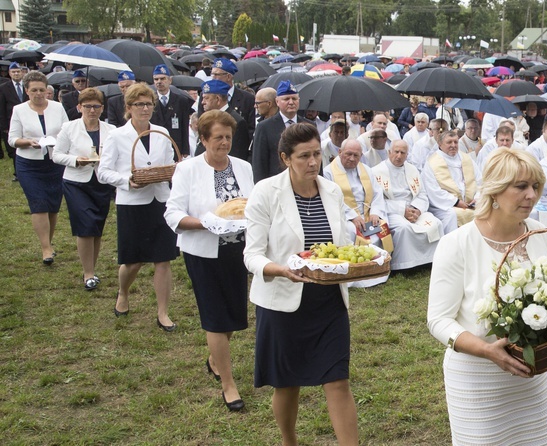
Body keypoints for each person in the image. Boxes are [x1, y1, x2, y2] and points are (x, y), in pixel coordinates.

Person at [427, 147, 547, 446]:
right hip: (477, 377)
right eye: (521, 186)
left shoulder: (538, 233)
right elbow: (438, 320)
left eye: (536, 186)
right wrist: (487, 351)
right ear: (495, 192)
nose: (531, 195)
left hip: (529, 374)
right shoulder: (456, 243)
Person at [244, 123, 358, 446]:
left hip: (329, 302)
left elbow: (342, 244)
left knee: (338, 381)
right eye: (304, 156)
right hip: (283, 302)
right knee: (287, 383)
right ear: (285, 158)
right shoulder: (266, 193)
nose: (313, 162)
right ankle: (289, 440)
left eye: (317, 154)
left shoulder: (332, 191)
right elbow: (251, 255)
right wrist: (278, 269)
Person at [165, 110, 254, 411]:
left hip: (237, 251)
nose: (224, 143)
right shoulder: (187, 170)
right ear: (203, 139)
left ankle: (215, 358)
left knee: (233, 315)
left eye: (228, 137)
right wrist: (205, 223)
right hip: (203, 251)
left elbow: (250, 206)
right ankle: (228, 384)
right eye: (218, 137)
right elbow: (172, 212)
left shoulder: (243, 167)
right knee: (215, 318)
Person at [98, 83, 179, 330]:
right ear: (129, 108)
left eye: (148, 104)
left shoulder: (161, 132)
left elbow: (168, 164)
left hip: (161, 202)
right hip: (132, 203)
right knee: (132, 261)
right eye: (139, 104)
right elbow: (103, 172)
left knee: (163, 259)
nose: (145, 109)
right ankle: (123, 292)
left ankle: (163, 312)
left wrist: (174, 171)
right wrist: (126, 181)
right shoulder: (117, 135)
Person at [52, 88, 116, 289]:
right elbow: (56, 155)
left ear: (102, 109)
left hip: (101, 183)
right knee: (85, 225)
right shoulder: (69, 128)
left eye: (96, 106)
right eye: (87, 106)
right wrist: (75, 160)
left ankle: (92, 268)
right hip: (76, 183)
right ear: (79, 107)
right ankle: (88, 273)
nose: (92, 110)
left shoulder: (111, 130)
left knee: (96, 227)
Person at [8, 71, 69, 264]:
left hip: (54, 163)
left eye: (42, 90)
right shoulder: (19, 110)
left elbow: (67, 132)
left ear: (47, 90)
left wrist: (57, 141)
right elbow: (12, 139)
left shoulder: (58, 108)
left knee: (52, 205)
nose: (38, 94)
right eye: (34, 90)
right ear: (27, 91)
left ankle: (48, 243)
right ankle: (45, 249)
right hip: (29, 163)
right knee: (38, 204)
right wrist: (27, 142)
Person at [371, 140, 442, 270]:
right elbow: (377, 200)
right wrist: (402, 210)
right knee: (404, 228)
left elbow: (422, 194)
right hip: (392, 211)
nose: (398, 156)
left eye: (402, 153)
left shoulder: (412, 169)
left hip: (413, 208)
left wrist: (417, 210)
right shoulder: (376, 171)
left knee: (436, 223)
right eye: (396, 152)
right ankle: (404, 265)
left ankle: (430, 261)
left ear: (407, 155)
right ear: (389, 152)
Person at [252, 81, 311, 182]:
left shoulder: (309, 125)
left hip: (304, 182)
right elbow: (259, 164)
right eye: (286, 99)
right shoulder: (264, 127)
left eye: (294, 98)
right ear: (277, 102)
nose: (291, 102)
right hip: (276, 185)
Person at [422, 130, 481, 228]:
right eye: (449, 142)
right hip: (445, 206)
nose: (453, 145)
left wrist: (477, 198)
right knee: (452, 215)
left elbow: (480, 181)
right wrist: (456, 202)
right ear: (440, 144)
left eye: (456, 142)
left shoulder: (466, 158)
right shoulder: (432, 163)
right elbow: (433, 190)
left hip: (471, 203)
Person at [196, 79, 250, 160]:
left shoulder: (236, 121)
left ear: (218, 99)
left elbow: (237, 154)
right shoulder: (207, 117)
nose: (202, 102)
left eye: (206, 98)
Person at [150, 64, 194, 158]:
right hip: (155, 145)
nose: (159, 82)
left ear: (170, 80)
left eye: (162, 79)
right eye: (156, 79)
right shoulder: (150, 101)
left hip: (175, 145)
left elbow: (184, 126)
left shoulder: (181, 100)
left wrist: (185, 149)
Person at [0, 62, 28, 178]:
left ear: (22, 72)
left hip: (27, 120)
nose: (16, 74)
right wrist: (4, 126)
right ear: (9, 74)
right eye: (13, 72)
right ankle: (18, 173)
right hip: (11, 121)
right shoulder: (3, 88)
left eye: (18, 71)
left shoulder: (28, 86)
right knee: (14, 149)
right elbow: (1, 108)